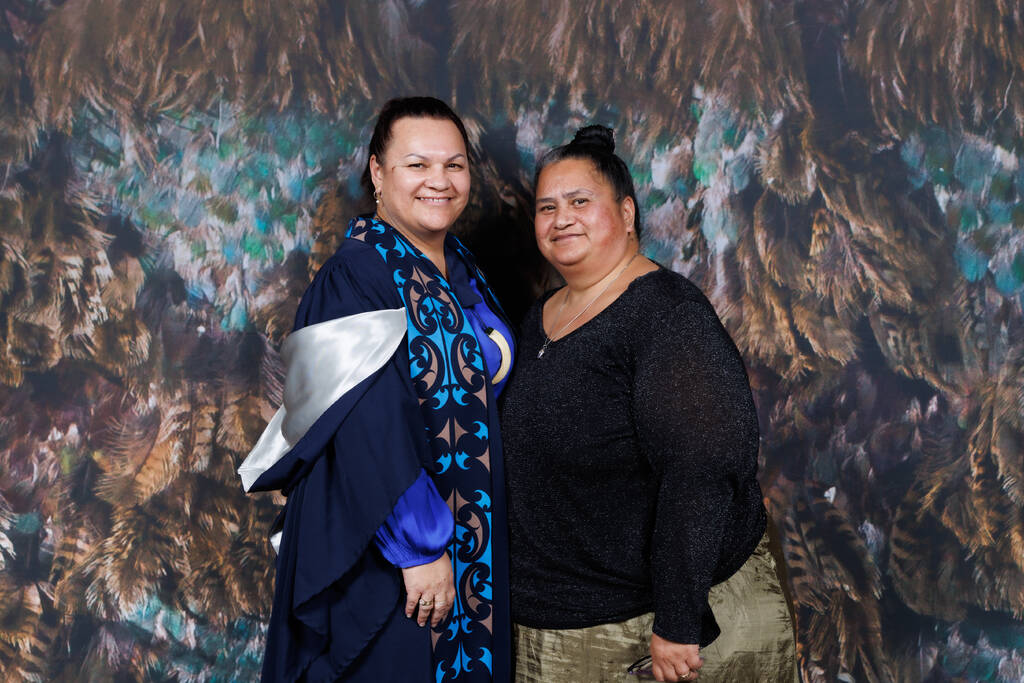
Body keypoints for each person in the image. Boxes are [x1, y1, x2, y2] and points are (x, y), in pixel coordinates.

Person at [500, 125, 797, 682]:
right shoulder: (539, 317)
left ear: (628, 213)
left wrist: (679, 621)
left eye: (580, 201)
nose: (561, 218)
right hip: (556, 624)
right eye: (546, 207)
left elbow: (704, 470)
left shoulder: (666, 315)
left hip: (647, 633)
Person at [238, 97, 515, 682]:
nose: (439, 181)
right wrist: (420, 549)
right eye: (417, 165)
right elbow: (369, 424)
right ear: (378, 173)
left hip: (474, 547)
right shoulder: (356, 278)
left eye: (454, 165)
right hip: (391, 557)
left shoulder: (457, 266)